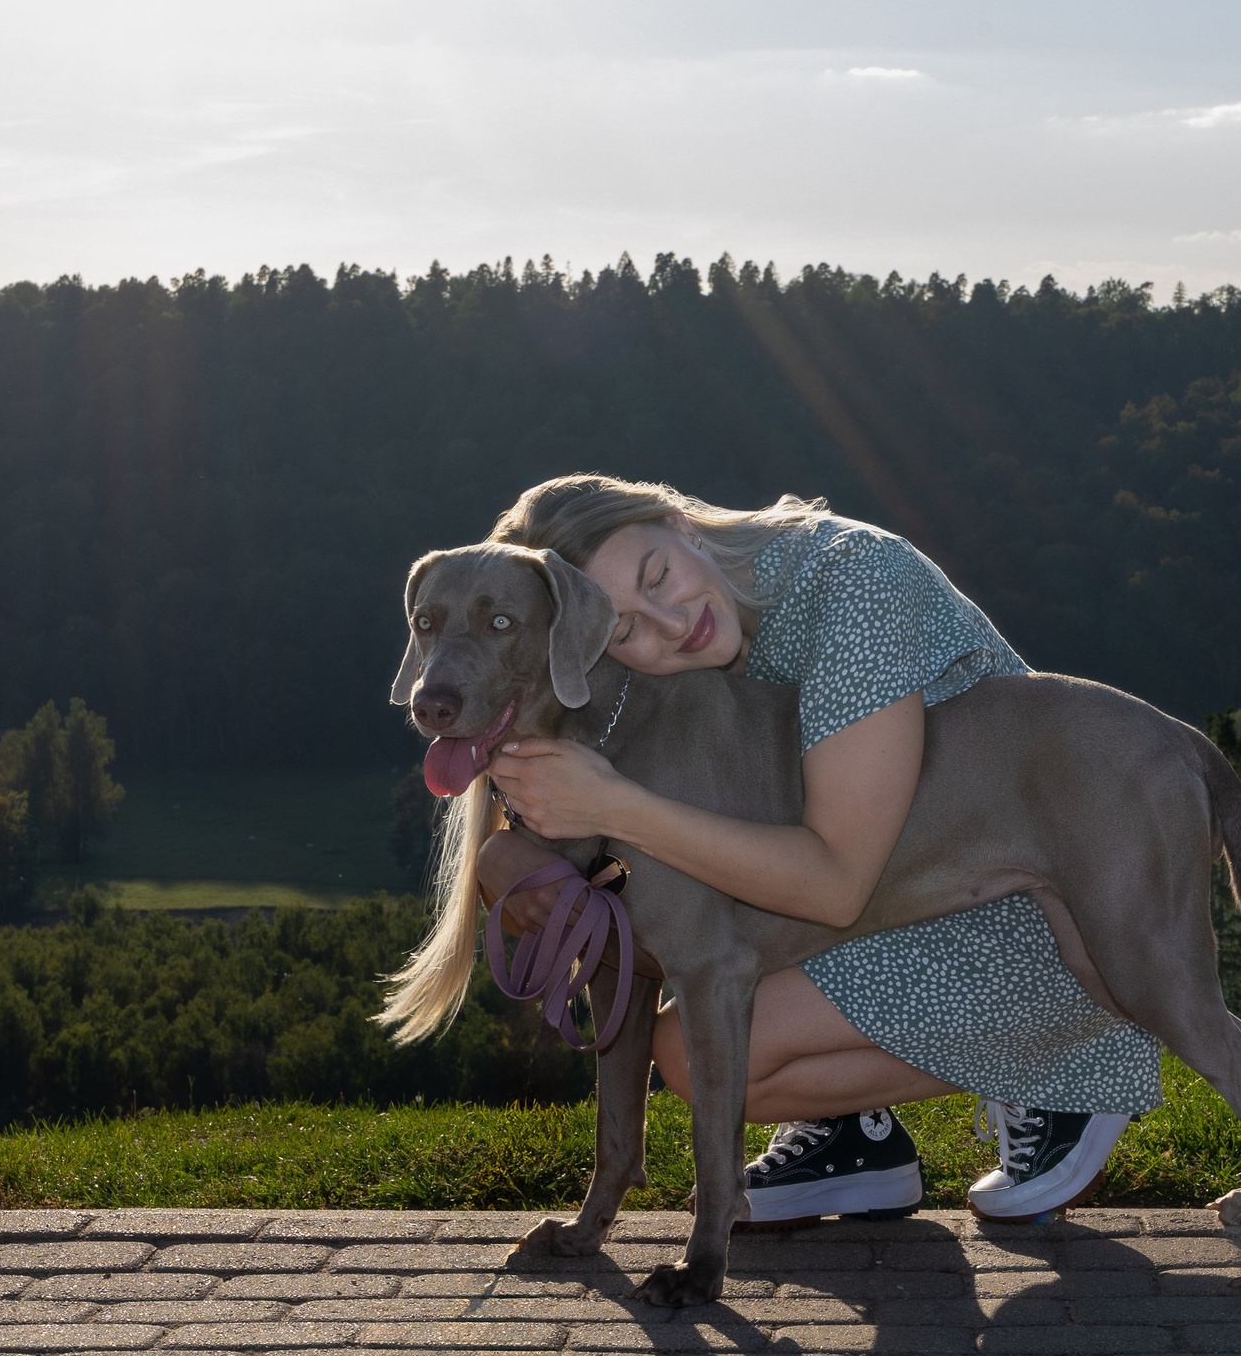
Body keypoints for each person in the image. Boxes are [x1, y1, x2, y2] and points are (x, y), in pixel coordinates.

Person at [417, 474, 1165, 1223]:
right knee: (700, 1010)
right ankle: (857, 1136)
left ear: (681, 524)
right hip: (880, 905)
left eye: (659, 576)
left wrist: (619, 806)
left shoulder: (853, 583)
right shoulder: (676, 665)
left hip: (1024, 906)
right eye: (623, 629)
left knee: (696, 1045)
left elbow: (834, 882)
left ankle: (1058, 1062)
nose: (671, 624)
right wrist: (505, 855)